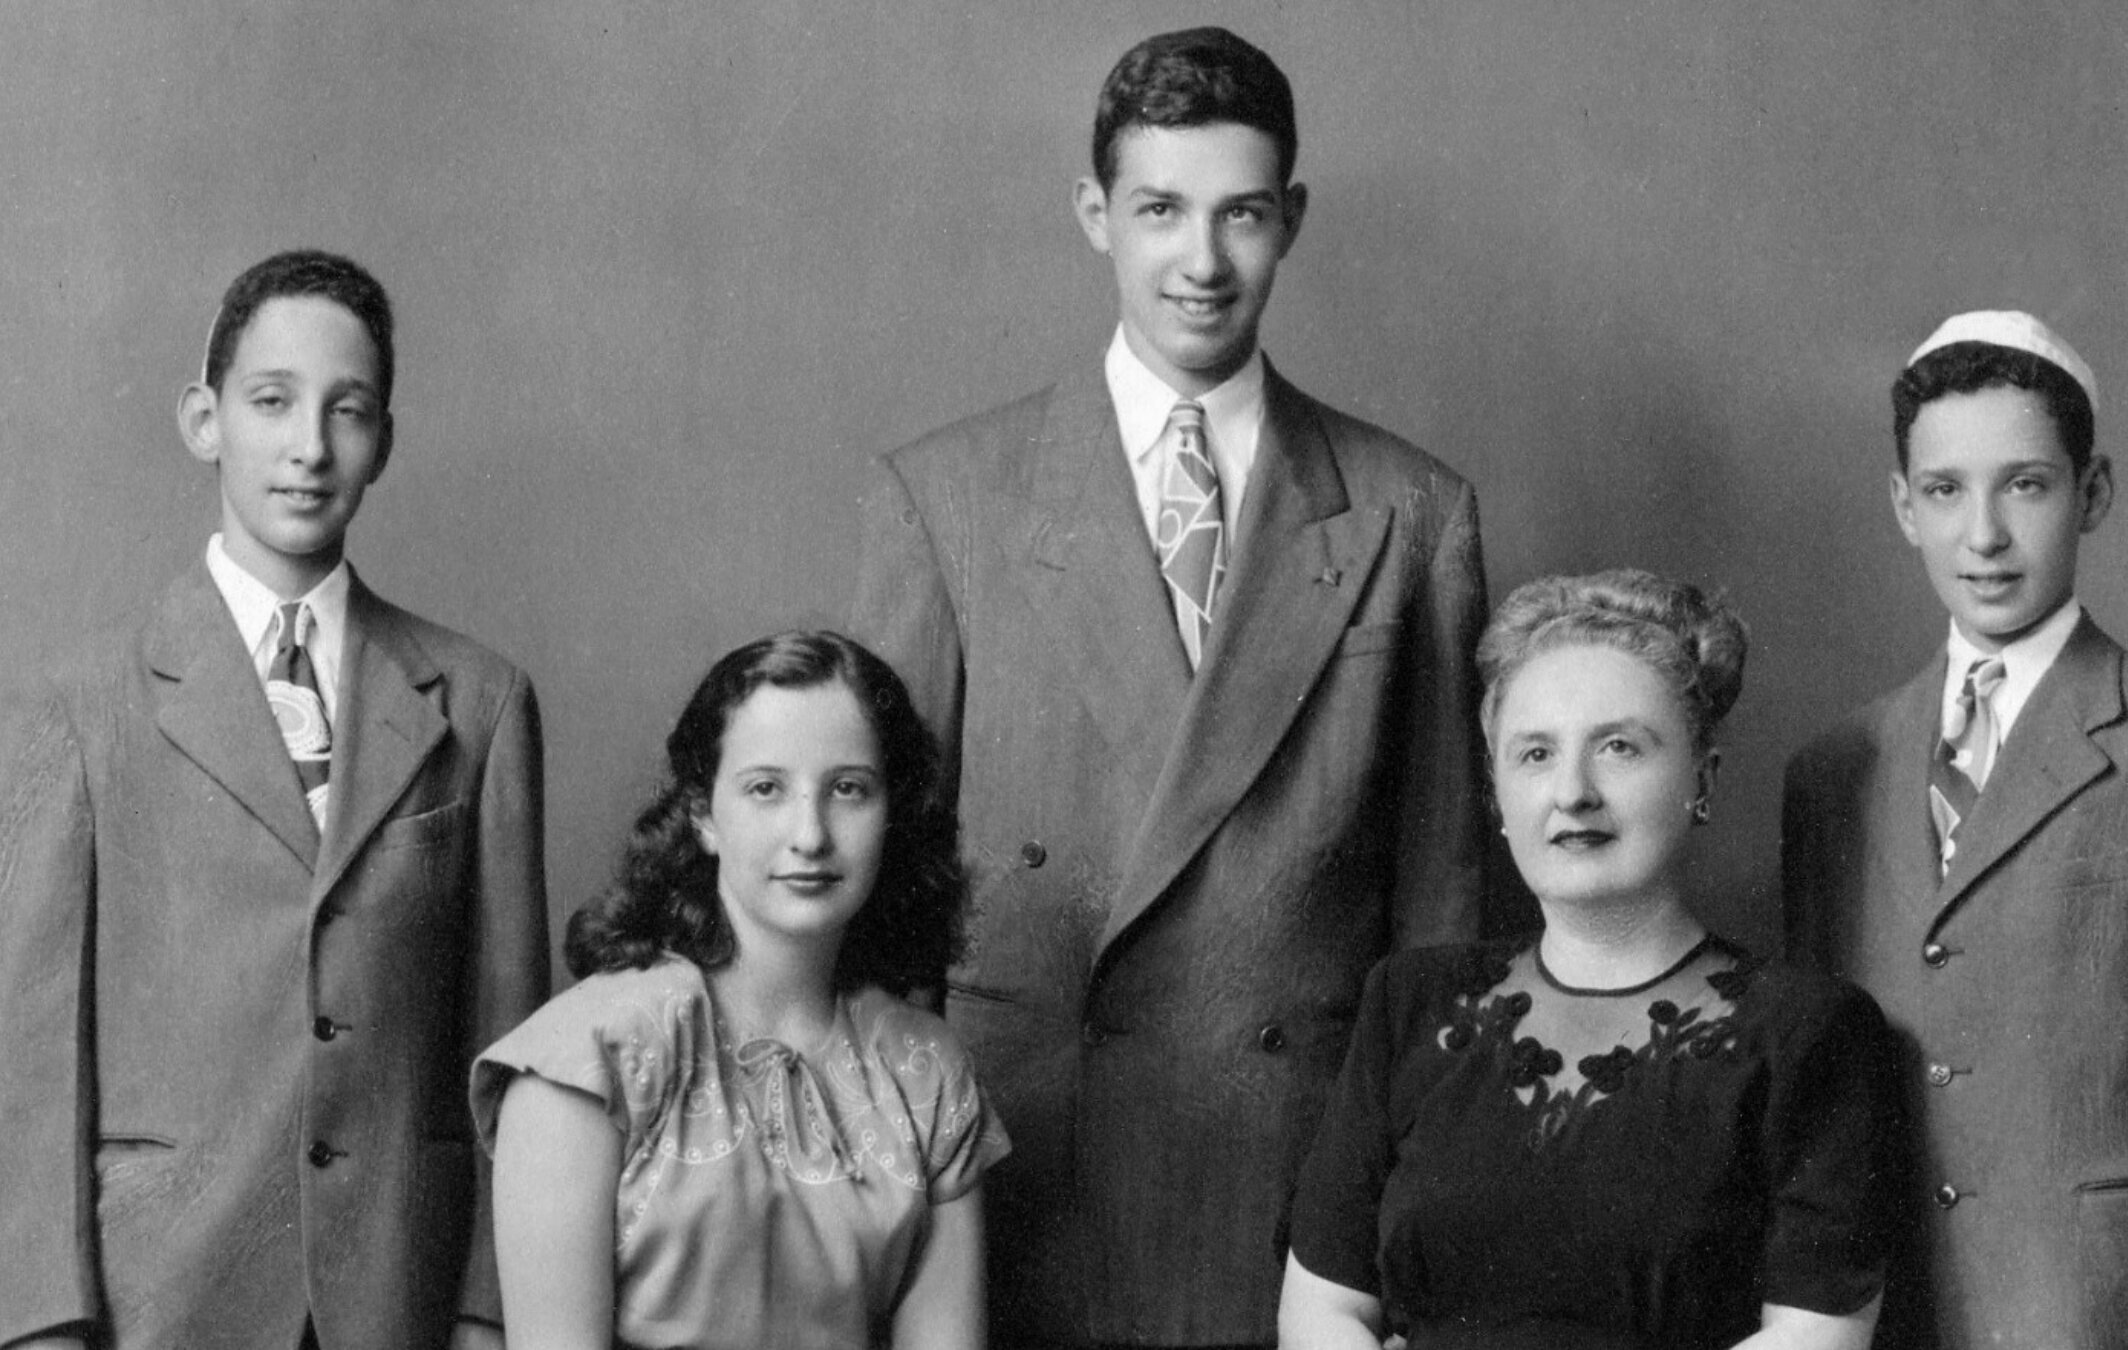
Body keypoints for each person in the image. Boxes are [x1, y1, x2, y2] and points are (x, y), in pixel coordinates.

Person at [848, 26, 1494, 1348]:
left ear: (1291, 220)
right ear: (1096, 215)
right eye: (1160, 211)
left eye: (1241, 214)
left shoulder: (1411, 512)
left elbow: (1439, 917)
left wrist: (1402, 1212)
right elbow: (882, 898)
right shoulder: (947, 498)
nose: (1201, 263)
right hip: (1020, 1169)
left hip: (1289, 1191)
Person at [0, 249, 549, 1350]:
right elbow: (32, 1059)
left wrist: (491, 1310)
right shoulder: (80, 703)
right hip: (162, 1296)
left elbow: (509, 1049)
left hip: (398, 1296)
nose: (309, 447)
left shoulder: (478, 703)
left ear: (383, 440)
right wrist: (42, 1324)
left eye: (348, 411)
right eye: (272, 402)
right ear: (204, 421)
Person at [1781, 311, 2128, 1350]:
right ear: (1903, 505)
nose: (1983, 536)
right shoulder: (1834, 774)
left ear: (2094, 492)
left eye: (2025, 484)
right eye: (1945, 490)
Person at [1281, 570, 1901, 1350]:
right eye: (1535, 753)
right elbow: (1323, 1308)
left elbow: (1817, 1336)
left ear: (1702, 780)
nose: (1572, 791)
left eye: (1618, 747)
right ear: (1498, 796)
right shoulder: (1409, 1004)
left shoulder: (1810, 1032)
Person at [473, 630, 1007, 1350]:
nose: (810, 834)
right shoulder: (586, 1063)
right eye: (766, 789)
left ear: (892, 813)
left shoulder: (926, 1072)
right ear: (702, 815)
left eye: (848, 789)